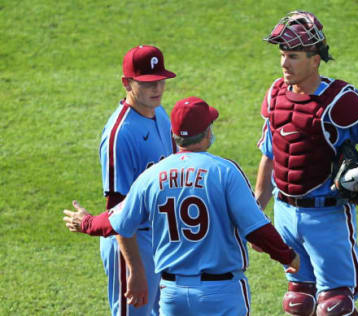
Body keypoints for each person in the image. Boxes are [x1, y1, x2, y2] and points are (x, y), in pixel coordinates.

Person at [64, 96, 300, 316]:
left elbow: (116, 221)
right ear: (207, 132)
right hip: (221, 293)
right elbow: (257, 229)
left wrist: (86, 222)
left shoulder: (152, 176)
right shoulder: (224, 171)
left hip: (173, 295)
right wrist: (287, 256)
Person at [255, 10, 358, 316]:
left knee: (335, 306)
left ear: (314, 59)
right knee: (298, 301)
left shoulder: (342, 100)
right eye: (282, 55)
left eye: (293, 56)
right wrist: (256, 211)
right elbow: (270, 155)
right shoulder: (274, 95)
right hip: (284, 212)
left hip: (327, 216)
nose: (284, 63)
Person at [63, 45, 177, 316]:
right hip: (132, 243)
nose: (157, 89)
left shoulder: (160, 114)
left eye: (160, 81)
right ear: (127, 83)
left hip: (161, 238)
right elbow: (118, 209)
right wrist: (135, 269)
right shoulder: (120, 135)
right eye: (147, 83)